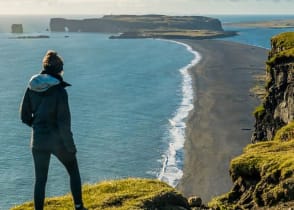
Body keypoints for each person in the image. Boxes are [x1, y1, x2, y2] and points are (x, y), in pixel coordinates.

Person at [20, 50, 87, 210]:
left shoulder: (31, 87)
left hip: (38, 141)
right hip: (58, 141)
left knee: (40, 179)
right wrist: (70, 146)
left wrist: (37, 126)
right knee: (73, 171)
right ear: (59, 70)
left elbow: (24, 116)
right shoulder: (59, 91)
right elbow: (64, 124)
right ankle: (78, 207)